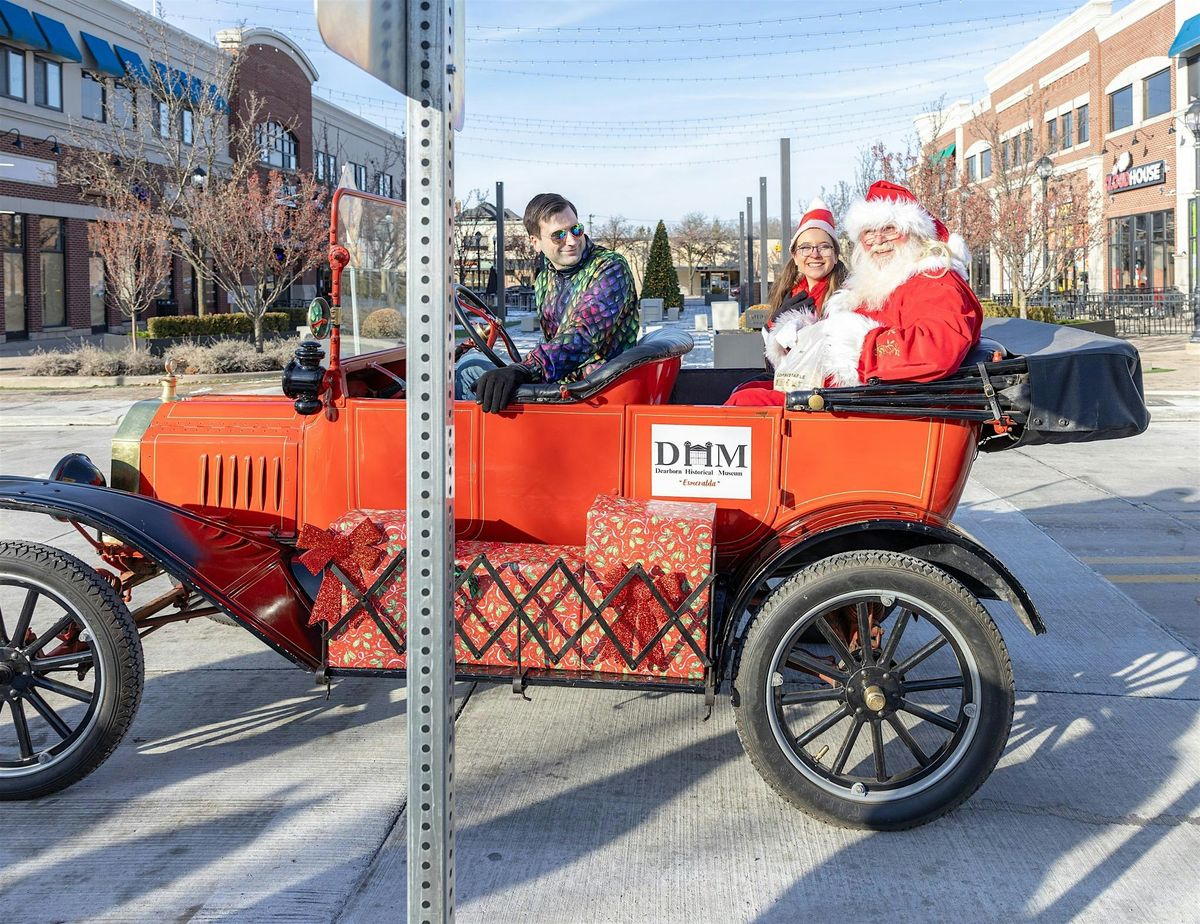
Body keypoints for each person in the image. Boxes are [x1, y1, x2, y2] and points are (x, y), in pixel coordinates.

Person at [727, 180, 981, 404]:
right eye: (869, 233)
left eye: (889, 229)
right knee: (747, 392)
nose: (878, 241)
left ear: (914, 233)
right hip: (841, 398)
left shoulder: (934, 281)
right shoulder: (877, 286)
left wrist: (856, 344)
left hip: (867, 409)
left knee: (747, 403)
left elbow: (936, 348)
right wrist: (806, 337)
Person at [457, 192, 639, 413]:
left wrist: (524, 370)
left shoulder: (609, 268)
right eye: (558, 235)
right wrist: (523, 368)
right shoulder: (545, 279)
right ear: (536, 242)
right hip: (564, 385)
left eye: (576, 230)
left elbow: (583, 335)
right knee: (473, 368)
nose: (571, 241)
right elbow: (552, 340)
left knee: (468, 375)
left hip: (595, 392)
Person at [725, 198, 847, 406]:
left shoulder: (847, 297)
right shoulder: (788, 294)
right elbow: (772, 365)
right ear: (795, 257)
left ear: (835, 255)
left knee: (743, 400)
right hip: (791, 383)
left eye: (824, 247)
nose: (814, 254)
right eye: (805, 248)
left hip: (822, 393)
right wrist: (773, 326)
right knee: (743, 390)